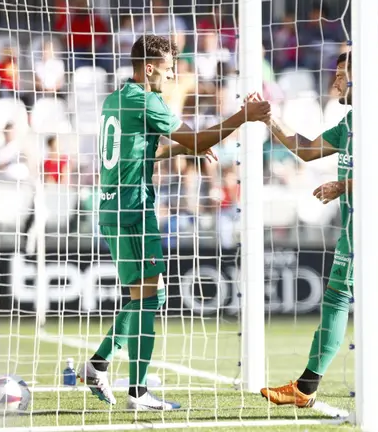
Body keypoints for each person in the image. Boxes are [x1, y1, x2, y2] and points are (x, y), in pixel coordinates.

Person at [78, 35, 270, 410]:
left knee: (152, 295)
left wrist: (185, 146)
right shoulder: (147, 100)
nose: (170, 77)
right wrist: (242, 117)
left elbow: (146, 153)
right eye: (167, 70)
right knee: (148, 297)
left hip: (117, 206)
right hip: (132, 209)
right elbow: (198, 141)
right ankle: (137, 391)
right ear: (148, 67)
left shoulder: (117, 99)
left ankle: (97, 363)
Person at [257, 52, 378, 410]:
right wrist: (270, 119)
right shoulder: (352, 119)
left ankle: (305, 387)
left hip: (371, 227)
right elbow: (306, 150)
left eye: (341, 75)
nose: (335, 81)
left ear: (361, 79)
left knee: (336, 298)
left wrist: (341, 186)